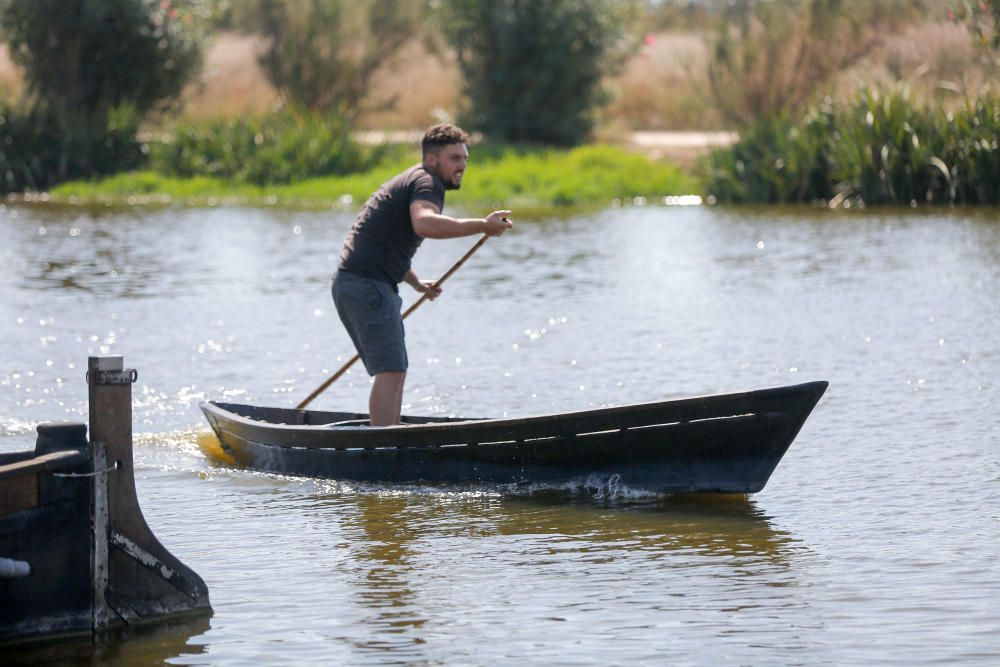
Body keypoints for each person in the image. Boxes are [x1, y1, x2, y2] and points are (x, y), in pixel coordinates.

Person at [332, 123, 513, 426]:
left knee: (394, 369)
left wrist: (416, 283)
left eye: (465, 159)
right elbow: (424, 224)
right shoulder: (428, 182)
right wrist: (482, 225)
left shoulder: (414, 179)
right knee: (390, 371)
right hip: (367, 286)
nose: (462, 166)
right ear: (432, 160)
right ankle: (385, 450)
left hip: (359, 283)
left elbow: (384, 243)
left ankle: (389, 439)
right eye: (455, 159)